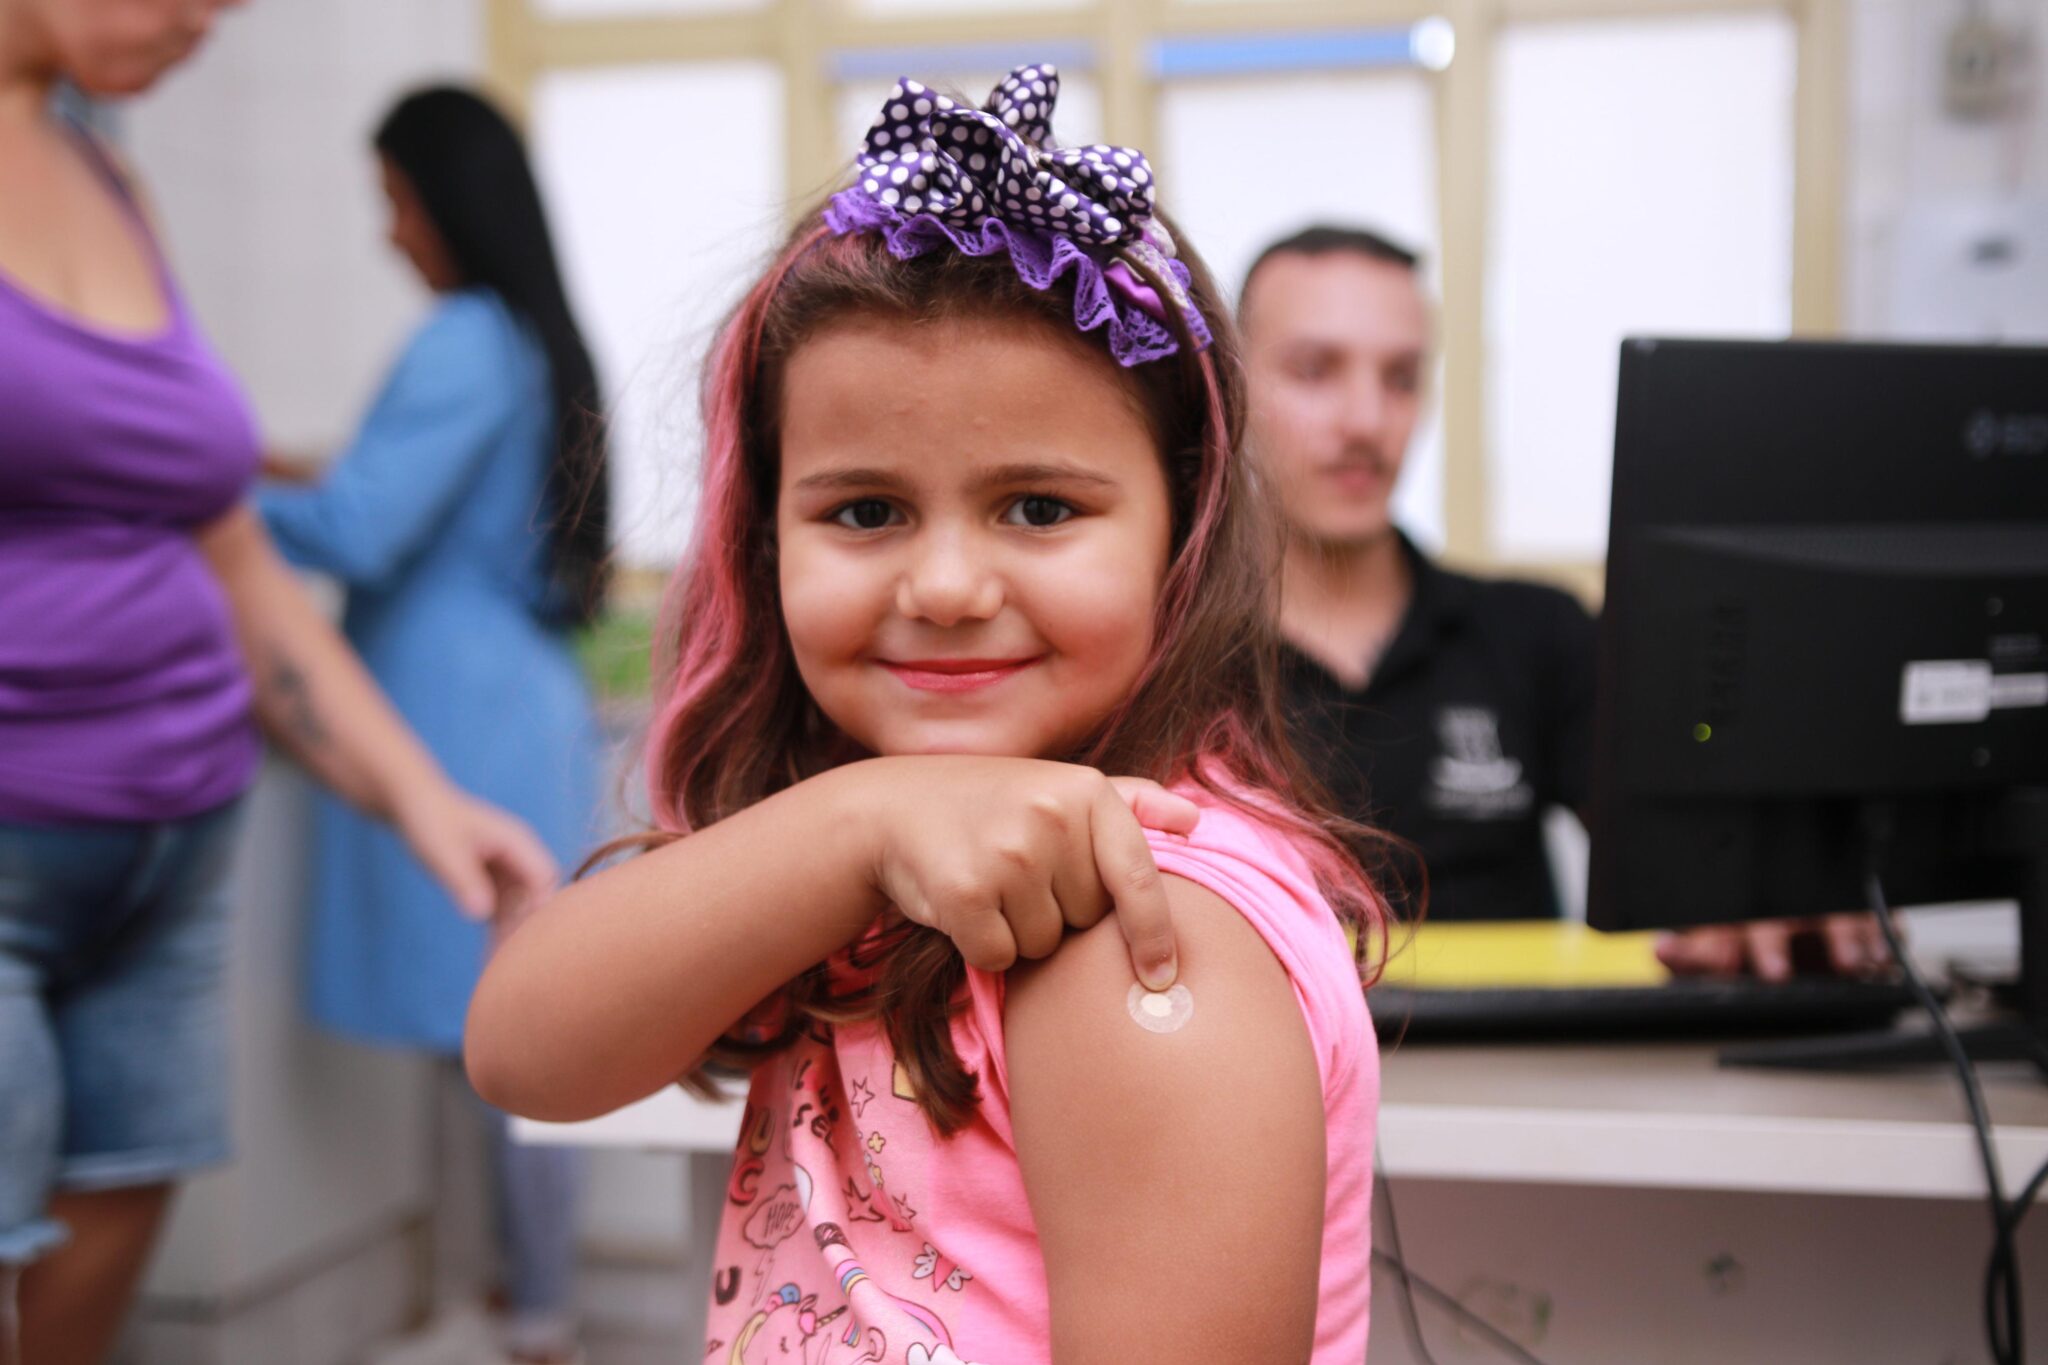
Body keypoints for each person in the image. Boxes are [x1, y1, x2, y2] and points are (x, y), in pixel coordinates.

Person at [468, 65, 1386, 1364]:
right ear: (764, 540)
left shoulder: (1133, 929)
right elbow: (523, 1052)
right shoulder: (853, 842)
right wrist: (861, 818)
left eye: (1038, 508)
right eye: (865, 511)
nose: (946, 589)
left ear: (1181, 528)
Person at [0, 7, 564, 1365]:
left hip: (173, 852)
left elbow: (236, 558)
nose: (212, 16)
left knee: (111, 1225)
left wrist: (423, 797)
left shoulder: (107, 174)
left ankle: (516, 1312)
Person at [1239, 223, 1890, 977]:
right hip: (1277, 1044)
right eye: (1314, 371)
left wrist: (1775, 881)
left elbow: (1695, 841)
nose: (1366, 421)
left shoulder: (1534, 634)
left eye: (1402, 378)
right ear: (1228, 387)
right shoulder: (1175, 651)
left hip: (1533, 1045)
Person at [257, 87, 604, 1365]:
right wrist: (286, 470)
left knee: (495, 1041)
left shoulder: (462, 338)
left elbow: (360, 530)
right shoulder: (522, 341)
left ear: (450, 203)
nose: (389, 234)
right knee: (506, 1035)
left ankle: (520, 1316)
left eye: (397, 203)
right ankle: (518, 1306)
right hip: (508, 697)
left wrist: (190, 478)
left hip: (457, 716)